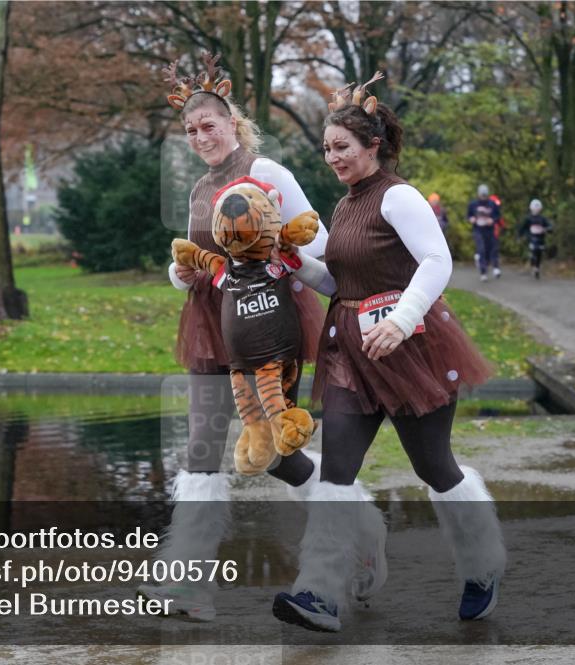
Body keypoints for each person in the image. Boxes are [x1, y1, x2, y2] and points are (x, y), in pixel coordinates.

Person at [272, 74, 505, 632]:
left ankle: (482, 567)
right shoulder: (345, 204)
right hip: (349, 353)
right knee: (336, 475)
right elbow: (339, 282)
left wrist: (402, 321)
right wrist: (293, 263)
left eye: (342, 147)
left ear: (373, 145)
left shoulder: (397, 195)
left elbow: (437, 261)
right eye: (327, 149)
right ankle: (321, 594)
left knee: (434, 467)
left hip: (412, 348)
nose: (332, 157)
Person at [138, 53, 345, 621]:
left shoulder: (269, 172)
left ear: (232, 124)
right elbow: (193, 257)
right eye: (190, 130)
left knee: (277, 451)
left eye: (209, 126)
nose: (200, 136)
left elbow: (320, 245)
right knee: (201, 449)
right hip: (212, 320)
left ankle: (357, 543)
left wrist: (293, 266)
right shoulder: (200, 188)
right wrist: (178, 272)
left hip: (269, 316)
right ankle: (189, 586)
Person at [467, 184, 502, 281]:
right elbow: (468, 215)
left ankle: (493, 267)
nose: (483, 197)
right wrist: (471, 219)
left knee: (491, 249)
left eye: (485, 195)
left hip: (489, 230)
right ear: (478, 194)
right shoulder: (473, 204)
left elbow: (498, 216)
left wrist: (492, 220)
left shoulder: (492, 204)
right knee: (481, 249)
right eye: (482, 195)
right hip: (478, 230)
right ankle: (483, 273)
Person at [518, 198, 553, 278]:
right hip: (531, 239)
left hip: (541, 239)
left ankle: (537, 268)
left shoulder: (543, 219)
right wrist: (520, 236)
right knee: (533, 252)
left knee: (539, 254)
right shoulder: (528, 218)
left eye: (537, 208)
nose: (536, 210)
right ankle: (533, 265)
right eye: (534, 208)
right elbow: (522, 228)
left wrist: (546, 229)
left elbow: (550, 227)